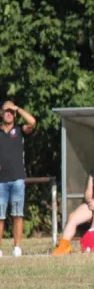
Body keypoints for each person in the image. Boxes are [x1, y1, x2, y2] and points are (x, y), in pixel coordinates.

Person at [0, 101, 36, 258]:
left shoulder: (19, 130)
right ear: (1, 113)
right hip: (1, 181)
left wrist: (18, 109)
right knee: (0, 216)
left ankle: (17, 248)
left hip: (17, 179)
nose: (8, 113)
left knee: (17, 214)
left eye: (11, 111)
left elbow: (32, 122)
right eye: (6, 111)